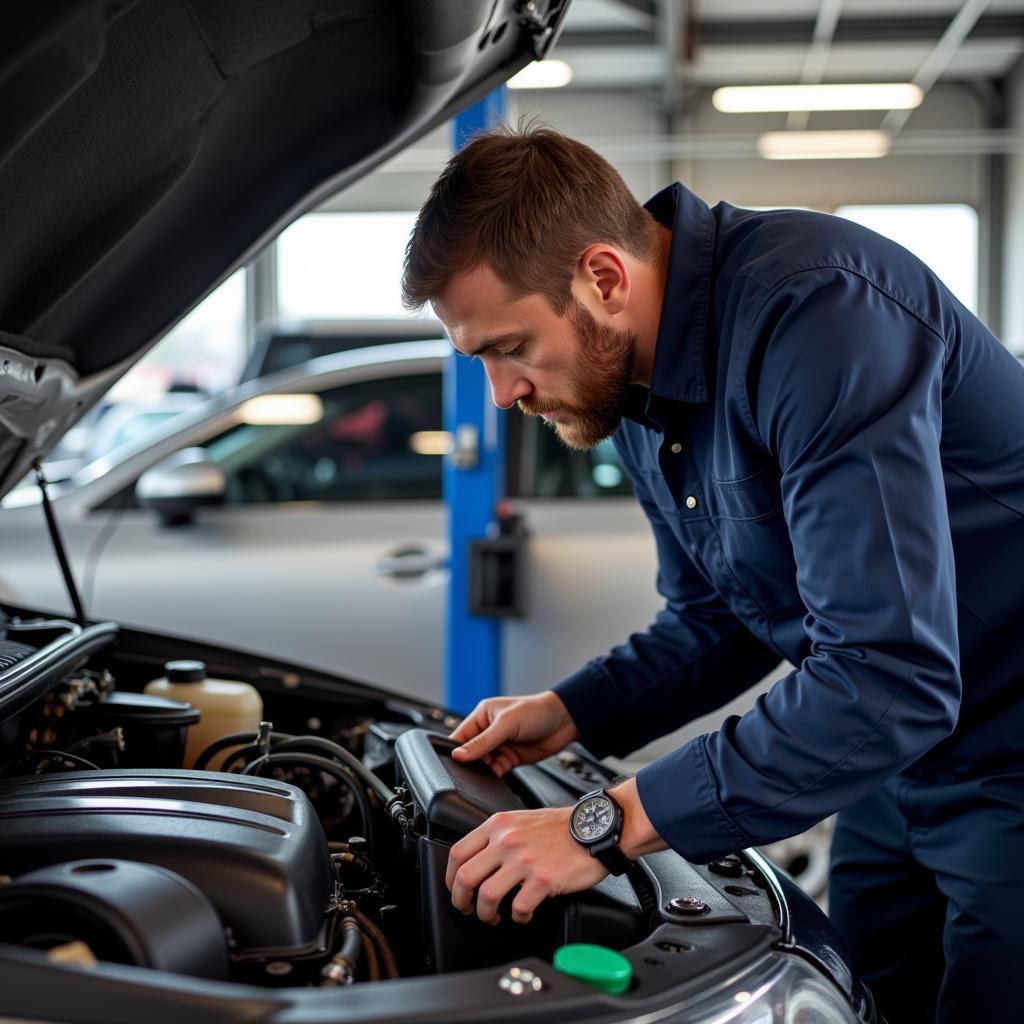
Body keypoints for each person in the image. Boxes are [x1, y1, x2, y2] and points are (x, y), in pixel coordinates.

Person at [400, 124, 1024, 1024]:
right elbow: (720, 618)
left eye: (510, 348)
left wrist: (602, 825)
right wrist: (572, 712)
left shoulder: (819, 312)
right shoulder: (639, 390)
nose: (503, 395)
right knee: (863, 999)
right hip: (893, 767)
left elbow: (889, 676)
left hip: (1005, 751)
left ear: (603, 278)